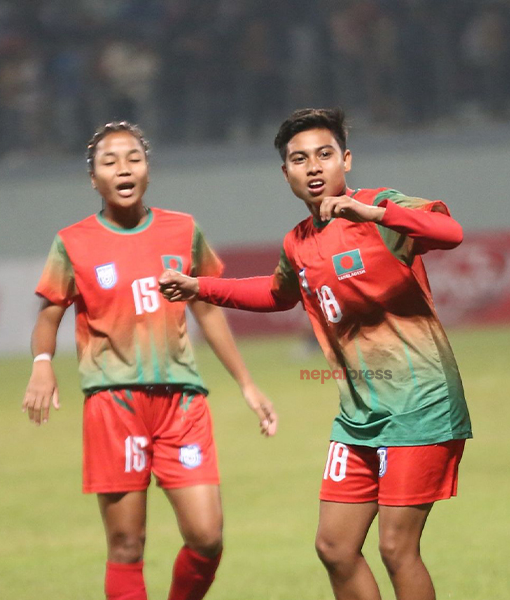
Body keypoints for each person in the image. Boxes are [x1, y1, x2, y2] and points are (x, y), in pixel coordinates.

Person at [159, 107, 472, 600]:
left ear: (346, 159)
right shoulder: (298, 242)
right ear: (286, 173)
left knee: (396, 548)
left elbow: (450, 234)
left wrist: (372, 213)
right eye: (299, 159)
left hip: (420, 404)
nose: (314, 167)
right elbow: (278, 293)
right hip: (359, 415)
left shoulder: (381, 206)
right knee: (334, 546)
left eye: (325, 154)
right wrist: (200, 286)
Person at [21, 121, 277, 600]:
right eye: (110, 161)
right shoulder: (73, 242)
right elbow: (49, 315)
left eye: (133, 158)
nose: (123, 168)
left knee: (207, 536)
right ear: (92, 179)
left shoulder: (182, 230)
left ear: (148, 170)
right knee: (126, 544)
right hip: (114, 405)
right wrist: (41, 362)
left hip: (182, 405)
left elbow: (206, 306)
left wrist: (246, 383)